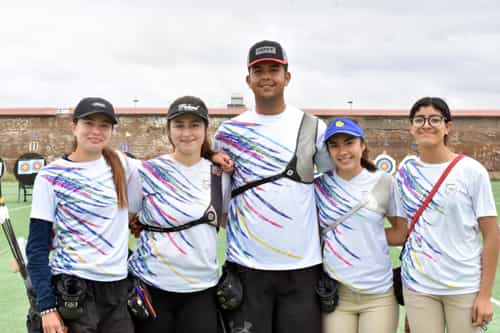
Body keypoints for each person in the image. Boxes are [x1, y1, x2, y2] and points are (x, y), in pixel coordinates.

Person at [214, 40, 331, 333]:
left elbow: (332, 185)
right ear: (248, 80)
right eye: (259, 71)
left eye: (274, 70)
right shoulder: (230, 132)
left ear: (287, 77)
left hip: (302, 267)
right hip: (246, 266)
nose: (266, 76)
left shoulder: (312, 126)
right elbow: (219, 198)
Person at [27, 97, 135, 333]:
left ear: (112, 131)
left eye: (104, 125)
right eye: (89, 123)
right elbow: (37, 248)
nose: (96, 131)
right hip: (74, 292)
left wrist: (213, 157)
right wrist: (46, 308)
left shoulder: (125, 166)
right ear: (74, 126)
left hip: (116, 291)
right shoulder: (50, 176)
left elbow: (179, 161)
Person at [395, 97, 500, 333]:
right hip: (419, 286)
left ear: (447, 127)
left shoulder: (471, 171)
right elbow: (403, 230)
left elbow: (492, 235)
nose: (426, 125)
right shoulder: (405, 171)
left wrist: (485, 296)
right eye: (419, 119)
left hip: (463, 285)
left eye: (435, 119)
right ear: (411, 127)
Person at [127, 95, 229, 333]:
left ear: (206, 129)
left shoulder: (219, 175)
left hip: (202, 289)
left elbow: (232, 225)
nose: (187, 133)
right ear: (168, 130)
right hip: (152, 286)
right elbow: (120, 222)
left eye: (194, 125)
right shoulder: (147, 171)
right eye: (179, 125)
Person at [314, 117, 406, 333]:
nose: (342, 151)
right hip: (336, 295)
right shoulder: (319, 186)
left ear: (362, 145)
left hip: (379, 295)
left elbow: (401, 233)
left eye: (349, 142)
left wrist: (363, 237)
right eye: (334, 145)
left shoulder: (384, 182)